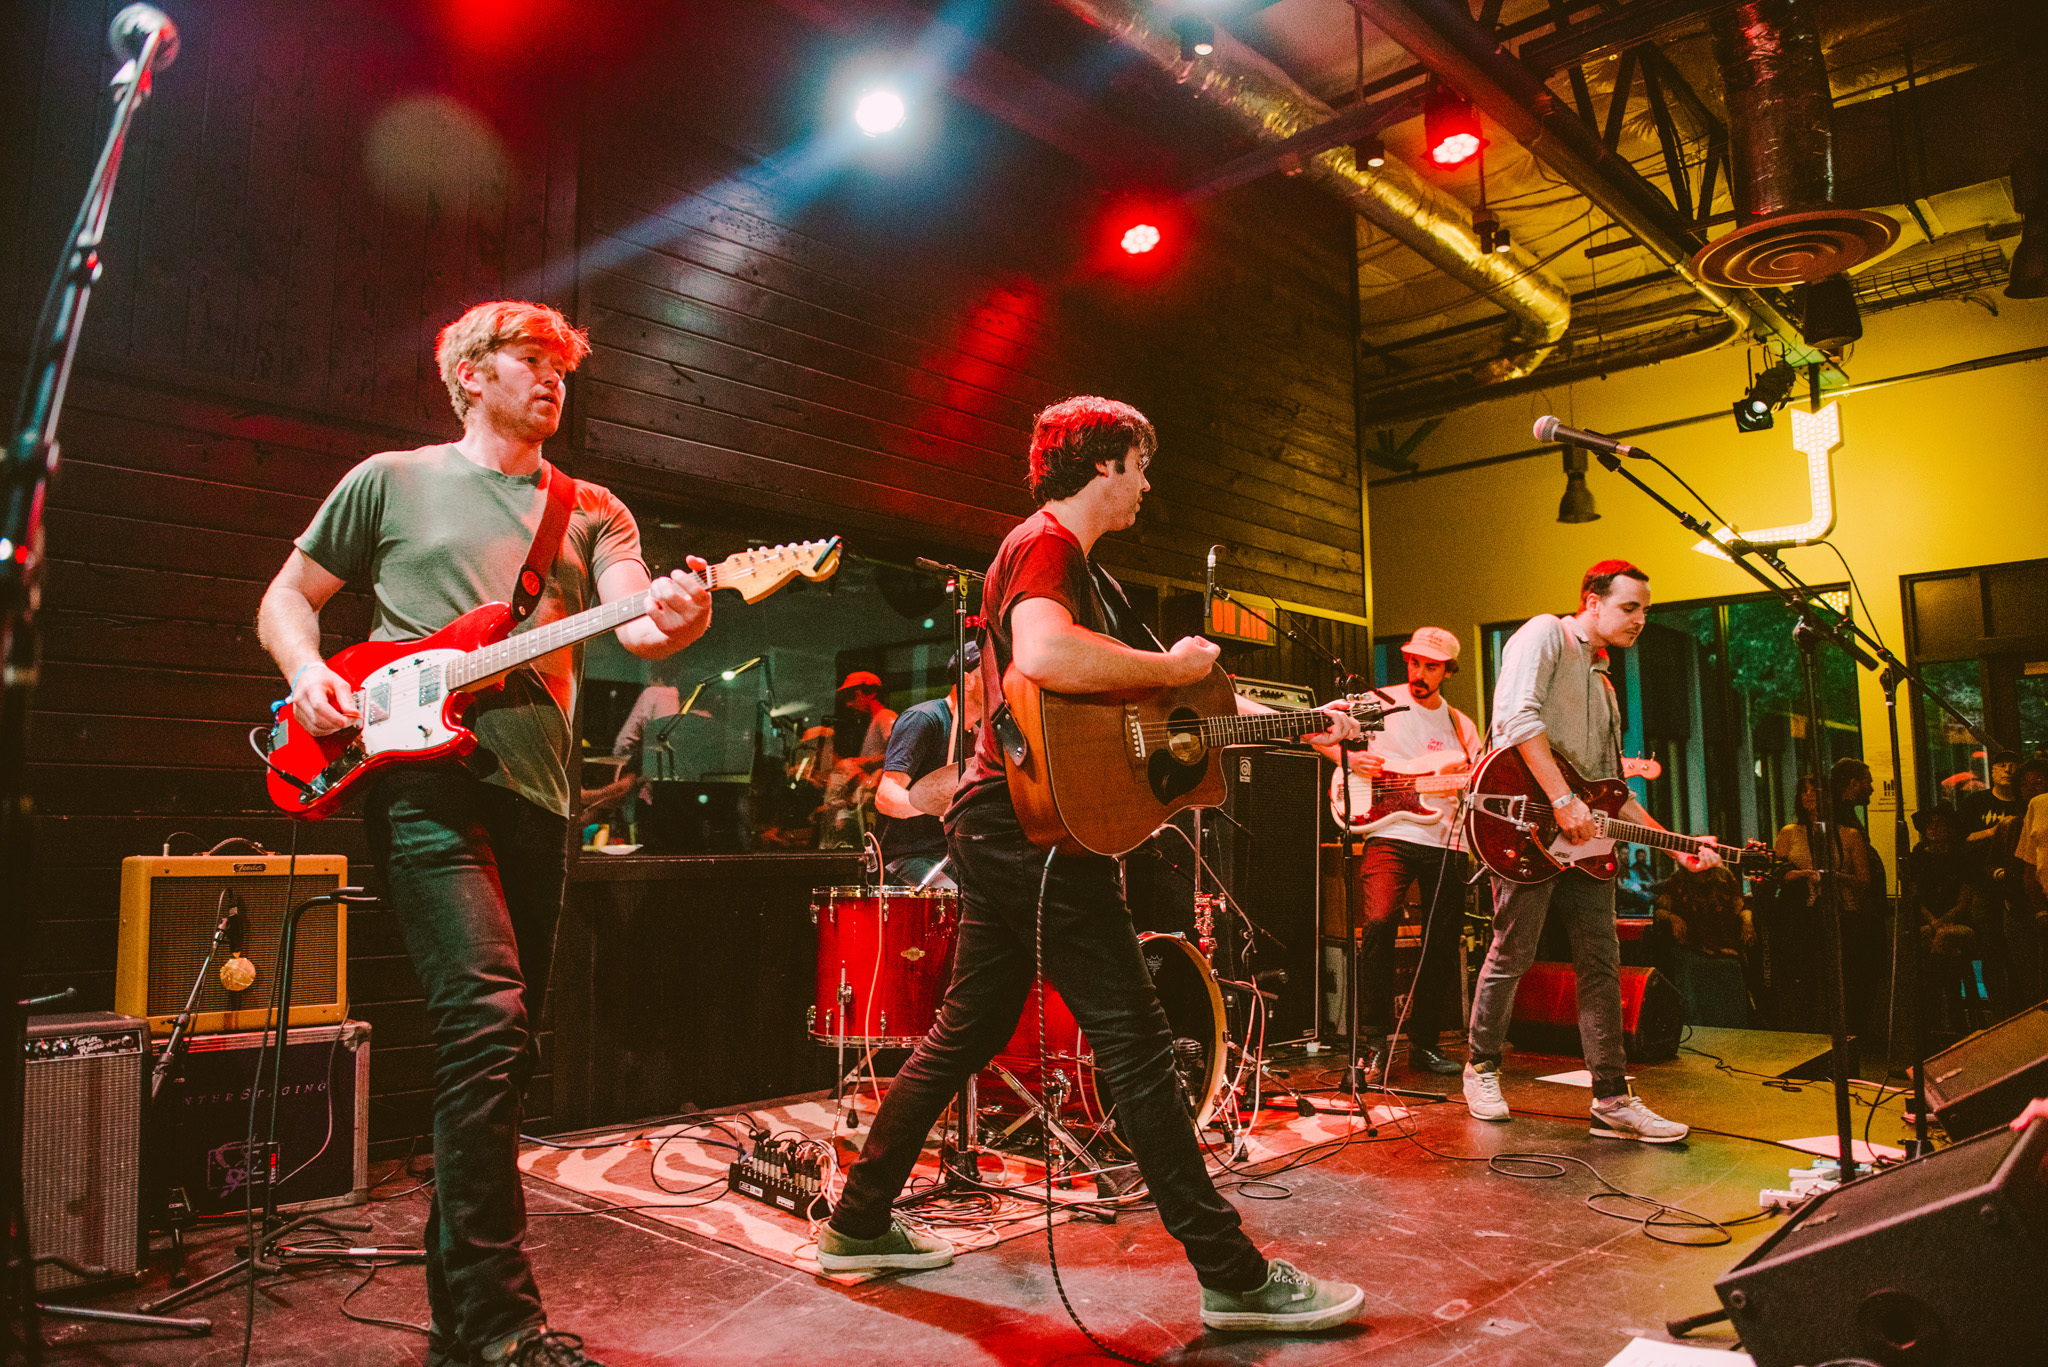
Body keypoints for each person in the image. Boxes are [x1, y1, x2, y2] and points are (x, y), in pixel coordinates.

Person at [818, 396, 1366, 1334]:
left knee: (965, 1033)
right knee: (1141, 1047)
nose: (1149, 484)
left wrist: (1242, 717)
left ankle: (857, 1220)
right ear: (1103, 462)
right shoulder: (1047, 547)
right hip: (1031, 837)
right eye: (1141, 465)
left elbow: (1100, 712)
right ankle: (1231, 1273)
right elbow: (1043, 653)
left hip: (1014, 829)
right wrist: (1172, 666)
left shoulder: (1074, 567)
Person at [258, 301, 713, 1367]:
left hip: (537, 792)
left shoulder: (592, 508)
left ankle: (459, 1317)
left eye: (564, 365)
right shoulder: (391, 479)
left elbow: (636, 620)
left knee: (501, 1055)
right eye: (531, 358)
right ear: (469, 373)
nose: (554, 378)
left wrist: (682, 616)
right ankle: (504, 1322)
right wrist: (308, 671)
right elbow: (289, 595)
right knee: (484, 1022)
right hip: (418, 782)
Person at [1464, 560, 1721, 1142]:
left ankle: (1610, 1096)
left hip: (1583, 835)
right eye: (1630, 607)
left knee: (1601, 965)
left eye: (1645, 611)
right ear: (1592, 601)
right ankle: (1480, 1067)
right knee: (1514, 951)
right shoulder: (1544, 634)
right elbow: (1516, 720)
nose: (1640, 620)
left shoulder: (1604, 684)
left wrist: (1679, 846)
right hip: (1525, 822)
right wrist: (1559, 800)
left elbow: (1609, 790)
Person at [1315, 627, 1480, 1081]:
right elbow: (1314, 728)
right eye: (1413, 662)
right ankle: (1372, 1044)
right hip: (1388, 832)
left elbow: (1478, 785)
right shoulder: (1377, 703)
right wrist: (1342, 760)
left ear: (1448, 670)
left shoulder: (1462, 729)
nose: (1419, 673)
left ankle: (1423, 1044)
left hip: (1447, 840)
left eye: (1431, 666)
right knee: (1380, 924)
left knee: (1441, 944)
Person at [1771, 772, 1880, 1033]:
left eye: (1814, 789)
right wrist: (1799, 874)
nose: (1808, 795)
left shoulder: (1850, 834)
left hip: (1843, 915)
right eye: (1803, 790)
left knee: (1842, 980)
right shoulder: (1789, 833)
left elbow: (1865, 880)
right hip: (1803, 916)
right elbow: (1776, 872)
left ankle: (1846, 1035)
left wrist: (1833, 877)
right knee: (1807, 979)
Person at [873, 641, 985, 887]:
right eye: (991, 673)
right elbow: (885, 797)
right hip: (907, 856)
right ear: (968, 681)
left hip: (949, 857)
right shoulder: (924, 719)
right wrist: (937, 803)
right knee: (953, 902)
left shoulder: (979, 736)